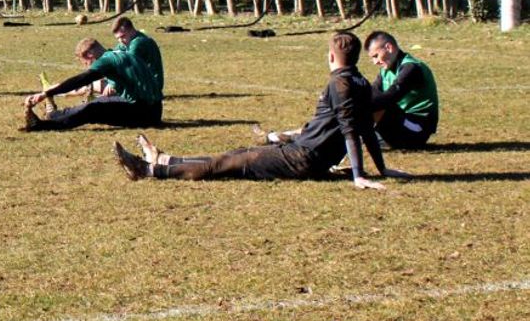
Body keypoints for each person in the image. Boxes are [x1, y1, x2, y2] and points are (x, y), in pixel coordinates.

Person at [113, 32, 399, 190]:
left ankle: (148, 169)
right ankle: (165, 159)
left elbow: (351, 130)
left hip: (303, 158)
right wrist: (382, 168)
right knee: (237, 155)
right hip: (303, 152)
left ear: (332, 56)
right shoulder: (361, 83)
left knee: (229, 163)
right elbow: (365, 129)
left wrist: (358, 175)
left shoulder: (340, 84)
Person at [255, 30, 438, 150]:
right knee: (351, 109)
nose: (375, 62)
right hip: (398, 127)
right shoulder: (387, 70)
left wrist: (351, 108)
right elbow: (371, 93)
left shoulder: (411, 68)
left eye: (376, 56)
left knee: (374, 108)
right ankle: (291, 135)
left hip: (416, 130)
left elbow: (388, 99)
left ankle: (309, 138)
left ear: (388, 47)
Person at [22, 38, 162, 131]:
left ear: (89, 55)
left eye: (86, 63)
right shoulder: (118, 54)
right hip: (153, 108)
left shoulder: (106, 61)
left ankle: (42, 126)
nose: (87, 66)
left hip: (145, 115)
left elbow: (81, 80)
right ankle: (55, 115)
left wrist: (47, 93)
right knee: (98, 101)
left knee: (93, 110)